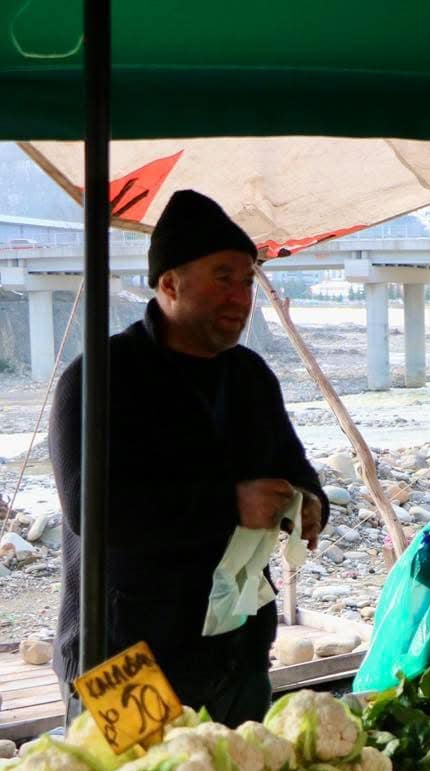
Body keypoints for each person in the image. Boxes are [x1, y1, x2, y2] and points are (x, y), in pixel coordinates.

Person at [50, 190, 328, 726]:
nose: (240, 297)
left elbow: (295, 469)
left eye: (247, 281)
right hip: (126, 660)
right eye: (223, 277)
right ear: (170, 285)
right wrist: (231, 506)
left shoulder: (251, 377)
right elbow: (95, 511)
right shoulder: (100, 378)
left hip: (235, 655)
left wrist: (310, 504)